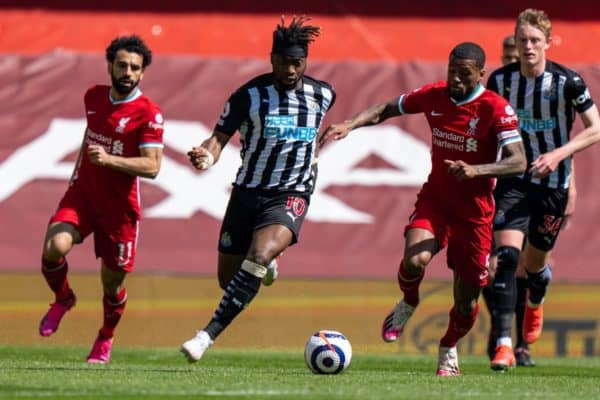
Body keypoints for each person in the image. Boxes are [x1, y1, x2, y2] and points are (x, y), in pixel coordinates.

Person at [319, 42, 526, 376]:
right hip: (437, 201)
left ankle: (448, 347)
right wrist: (350, 124)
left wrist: (478, 170)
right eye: (452, 71)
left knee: (466, 301)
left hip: (475, 215)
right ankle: (409, 301)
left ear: (480, 74)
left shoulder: (495, 108)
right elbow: (387, 108)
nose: (456, 80)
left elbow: (519, 160)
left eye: (464, 74)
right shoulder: (435, 95)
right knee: (414, 260)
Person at [180, 16, 336, 362]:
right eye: (284, 62)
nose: (291, 69)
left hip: (291, 194)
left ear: (305, 61)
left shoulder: (322, 94)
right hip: (248, 191)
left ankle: (206, 336)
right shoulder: (247, 97)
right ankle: (267, 264)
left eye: (297, 62)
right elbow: (219, 138)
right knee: (229, 281)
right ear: (272, 58)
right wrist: (207, 155)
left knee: (259, 256)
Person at [38, 35, 164, 364]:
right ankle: (63, 298)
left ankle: (105, 338)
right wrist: (78, 171)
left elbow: (152, 166)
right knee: (54, 249)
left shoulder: (148, 114)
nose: (128, 72)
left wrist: (109, 161)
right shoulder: (92, 96)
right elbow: (91, 133)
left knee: (111, 285)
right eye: (122, 65)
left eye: (135, 68)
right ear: (110, 65)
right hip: (84, 195)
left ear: (142, 73)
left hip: (119, 210)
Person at [487, 8, 600, 371]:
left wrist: (560, 154)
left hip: (553, 184)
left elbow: (596, 127)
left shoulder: (568, 82)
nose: (529, 46)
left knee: (533, 266)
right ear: (515, 43)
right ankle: (504, 345)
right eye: (523, 40)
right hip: (515, 180)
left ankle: (536, 298)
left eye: (535, 40)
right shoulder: (500, 81)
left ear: (548, 43)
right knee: (505, 259)